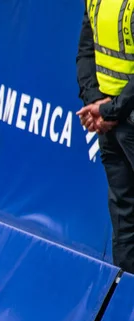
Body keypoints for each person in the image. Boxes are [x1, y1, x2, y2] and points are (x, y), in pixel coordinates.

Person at [76, 2, 134, 273]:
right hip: (114, 124)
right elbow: (88, 49)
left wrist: (105, 109)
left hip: (113, 119)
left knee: (125, 218)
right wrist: (98, 103)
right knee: (124, 222)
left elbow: (86, 51)